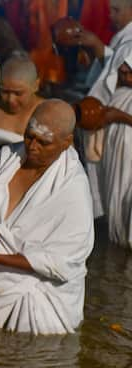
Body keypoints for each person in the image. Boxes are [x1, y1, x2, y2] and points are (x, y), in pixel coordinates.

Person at [0, 100, 94, 334]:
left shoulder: (74, 188)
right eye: (29, 136)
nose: (32, 146)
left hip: (39, 304)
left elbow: (65, 262)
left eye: (44, 142)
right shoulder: (7, 157)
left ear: (67, 143)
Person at [75, 0, 132, 219]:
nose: (110, 16)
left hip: (128, 145)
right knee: (114, 193)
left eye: (116, 11)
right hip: (115, 143)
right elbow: (107, 78)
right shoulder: (122, 42)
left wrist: (117, 115)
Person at [100, 57, 132, 248]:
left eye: (131, 73)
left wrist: (120, 116)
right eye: (123, 73)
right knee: (118, 199)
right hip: (118, 156)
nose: (127, 78)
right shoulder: (119, 93)